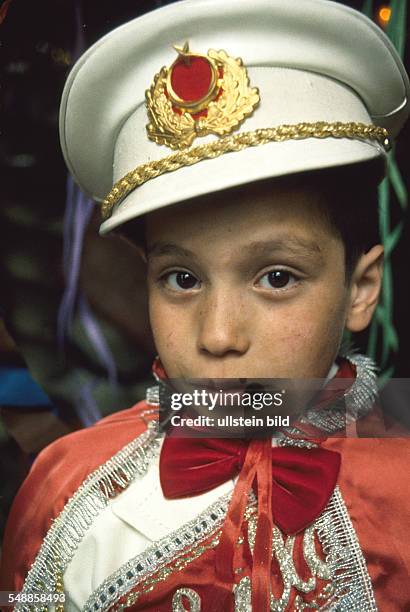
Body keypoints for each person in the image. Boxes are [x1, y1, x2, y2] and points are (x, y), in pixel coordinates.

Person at [1, 0, 409, 610]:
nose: (218, 335)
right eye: (183, 279)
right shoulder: (68, 491)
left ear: (360, 288)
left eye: (276, 277)